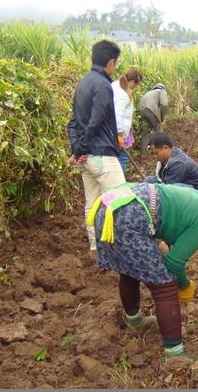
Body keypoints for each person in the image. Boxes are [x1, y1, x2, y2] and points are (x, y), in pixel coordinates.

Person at [86, 182, 198, 357]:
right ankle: (175, 355)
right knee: (166, 285)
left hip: (111, 205)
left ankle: (135, 321)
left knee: (129, 269)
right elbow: (173, 263)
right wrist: (185, 286)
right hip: (127, 218)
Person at [67, 40, 126, 255]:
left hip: (87, 159)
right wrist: (81, 149)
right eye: (115, 64)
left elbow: (72, 123)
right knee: (122, 202)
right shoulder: (103, 85)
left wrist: (77, 150)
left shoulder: (82, 84)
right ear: (110, 62)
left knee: (91, 204)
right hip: (102, 156)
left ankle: (96, 249)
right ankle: (121, 252)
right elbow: (97, 120)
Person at [113, 68, 143, 173]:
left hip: (114, 131)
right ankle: (119, 183)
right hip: (118, 133)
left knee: (116, 158)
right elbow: (118, 114)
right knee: (123, 158)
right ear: (133, 82)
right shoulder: (123, 94)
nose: (135, 87)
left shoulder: (115, 85)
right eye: (136, 85)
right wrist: (120, 134)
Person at [139, 84, 169, 154]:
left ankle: (144, 154)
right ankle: (160, 152)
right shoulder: (162, 91)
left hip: (142, 111)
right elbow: (164, 105)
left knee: (145, 132)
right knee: (158, 131)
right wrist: (162, 118)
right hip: (150, 110)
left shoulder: (149, 93)